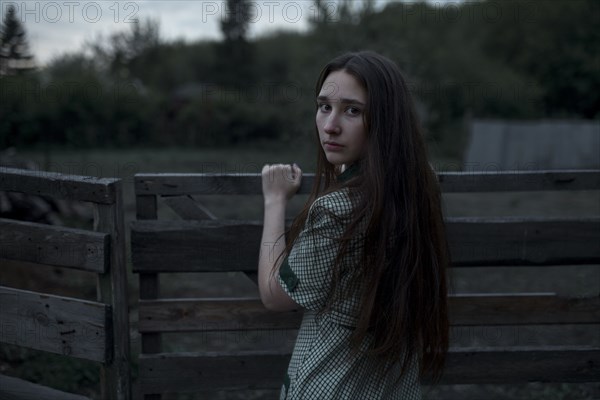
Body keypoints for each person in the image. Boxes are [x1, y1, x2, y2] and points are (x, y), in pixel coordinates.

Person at [258, 51, 449, 399]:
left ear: (385, 120)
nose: (330, 125)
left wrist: (274, 201)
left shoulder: (336, 210)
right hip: (394, 387)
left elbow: (275, 296)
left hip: (328, 386)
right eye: (324, 106)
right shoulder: (421, 186)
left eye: (353, 110)